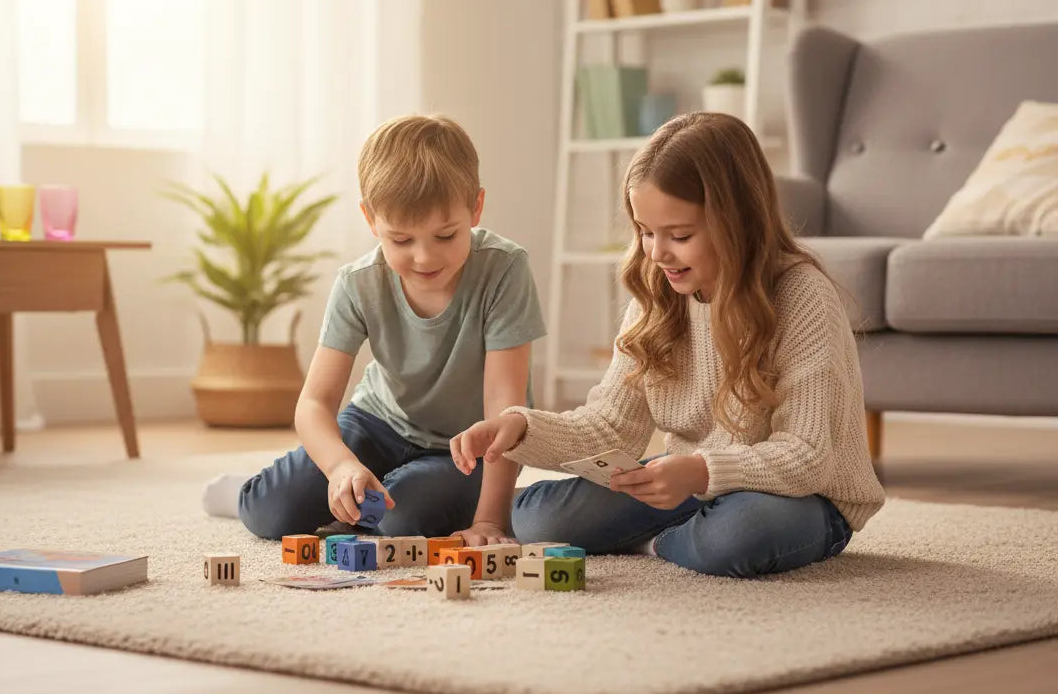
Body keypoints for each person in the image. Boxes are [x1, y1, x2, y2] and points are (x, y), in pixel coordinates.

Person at [449, 112, 885, 577]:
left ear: (737, 222)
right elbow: (610, 427)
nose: (657, 253)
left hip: (801, 498)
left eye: (679, 235)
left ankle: (658, 543)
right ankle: (684, 535)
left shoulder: (802, 296)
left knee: (739, 534)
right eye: (645, 231)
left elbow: (808, 456)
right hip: (693, 482)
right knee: (538, 518)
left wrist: (699, 471)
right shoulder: (657, 295)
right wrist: (521, 427)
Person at [203, 114, 545, 546]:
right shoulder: (358, 283)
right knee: (269, 512)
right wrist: (340, 466)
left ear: (475, 208)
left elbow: (504, 406)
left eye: (445, 236)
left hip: (463, 448)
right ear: (370, 218)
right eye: (401, 240)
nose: (424, 257)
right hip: (377, 423)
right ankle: (259, 488)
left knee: (398, 522)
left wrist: (490, 521)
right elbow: (313, 403)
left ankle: (427, 496)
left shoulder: (504, 269)